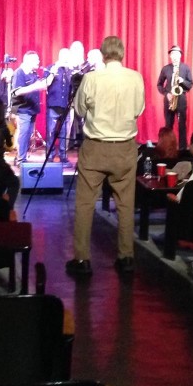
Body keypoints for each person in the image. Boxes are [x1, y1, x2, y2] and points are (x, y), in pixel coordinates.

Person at [67, 35, 146, 277]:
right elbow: (138, 110)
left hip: (96, 147)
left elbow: (79, 110)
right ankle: (126, 257)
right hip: (125, 148)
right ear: (122, 53)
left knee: (85, 204)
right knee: (125, 204)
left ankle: (82, 260)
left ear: (102, 55)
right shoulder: (135, 78)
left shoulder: (92, 78)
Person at [11, 51, 49, 164]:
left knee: (27, 135)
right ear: (28, 60)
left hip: (32, 109)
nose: (39, 61)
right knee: (23, 134)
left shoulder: (33, 73)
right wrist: (35, 86)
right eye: (36, 59)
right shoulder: (19, 73)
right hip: (23, 110)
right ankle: (21, 160)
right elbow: (16, 92)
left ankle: (20, 156)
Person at [156, 45, 193, 149]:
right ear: (170, 56)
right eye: (172, 54)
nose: (174, 57)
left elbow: (190, 84)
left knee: (182, 125)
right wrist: (166, 93)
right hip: (169, 99)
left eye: (176, 54)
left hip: (181, 99)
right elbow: (159, 84)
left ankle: (182, 148)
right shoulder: (165, 69)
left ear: (180, 55)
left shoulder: (185, 68)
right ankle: (168, 148)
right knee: (168, 125)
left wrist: (182, 81)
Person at [44, 47, 72, 163]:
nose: (66, 59)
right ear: (60, 56)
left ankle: (63, 154)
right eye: (64, 56)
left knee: (64, 132)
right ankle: (50, 154)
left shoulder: (69, 70)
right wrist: (56, 68)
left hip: (65, 105)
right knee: (51, 131)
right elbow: (45, 83)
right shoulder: (50, 68)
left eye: (68, 57)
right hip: (53, 105)